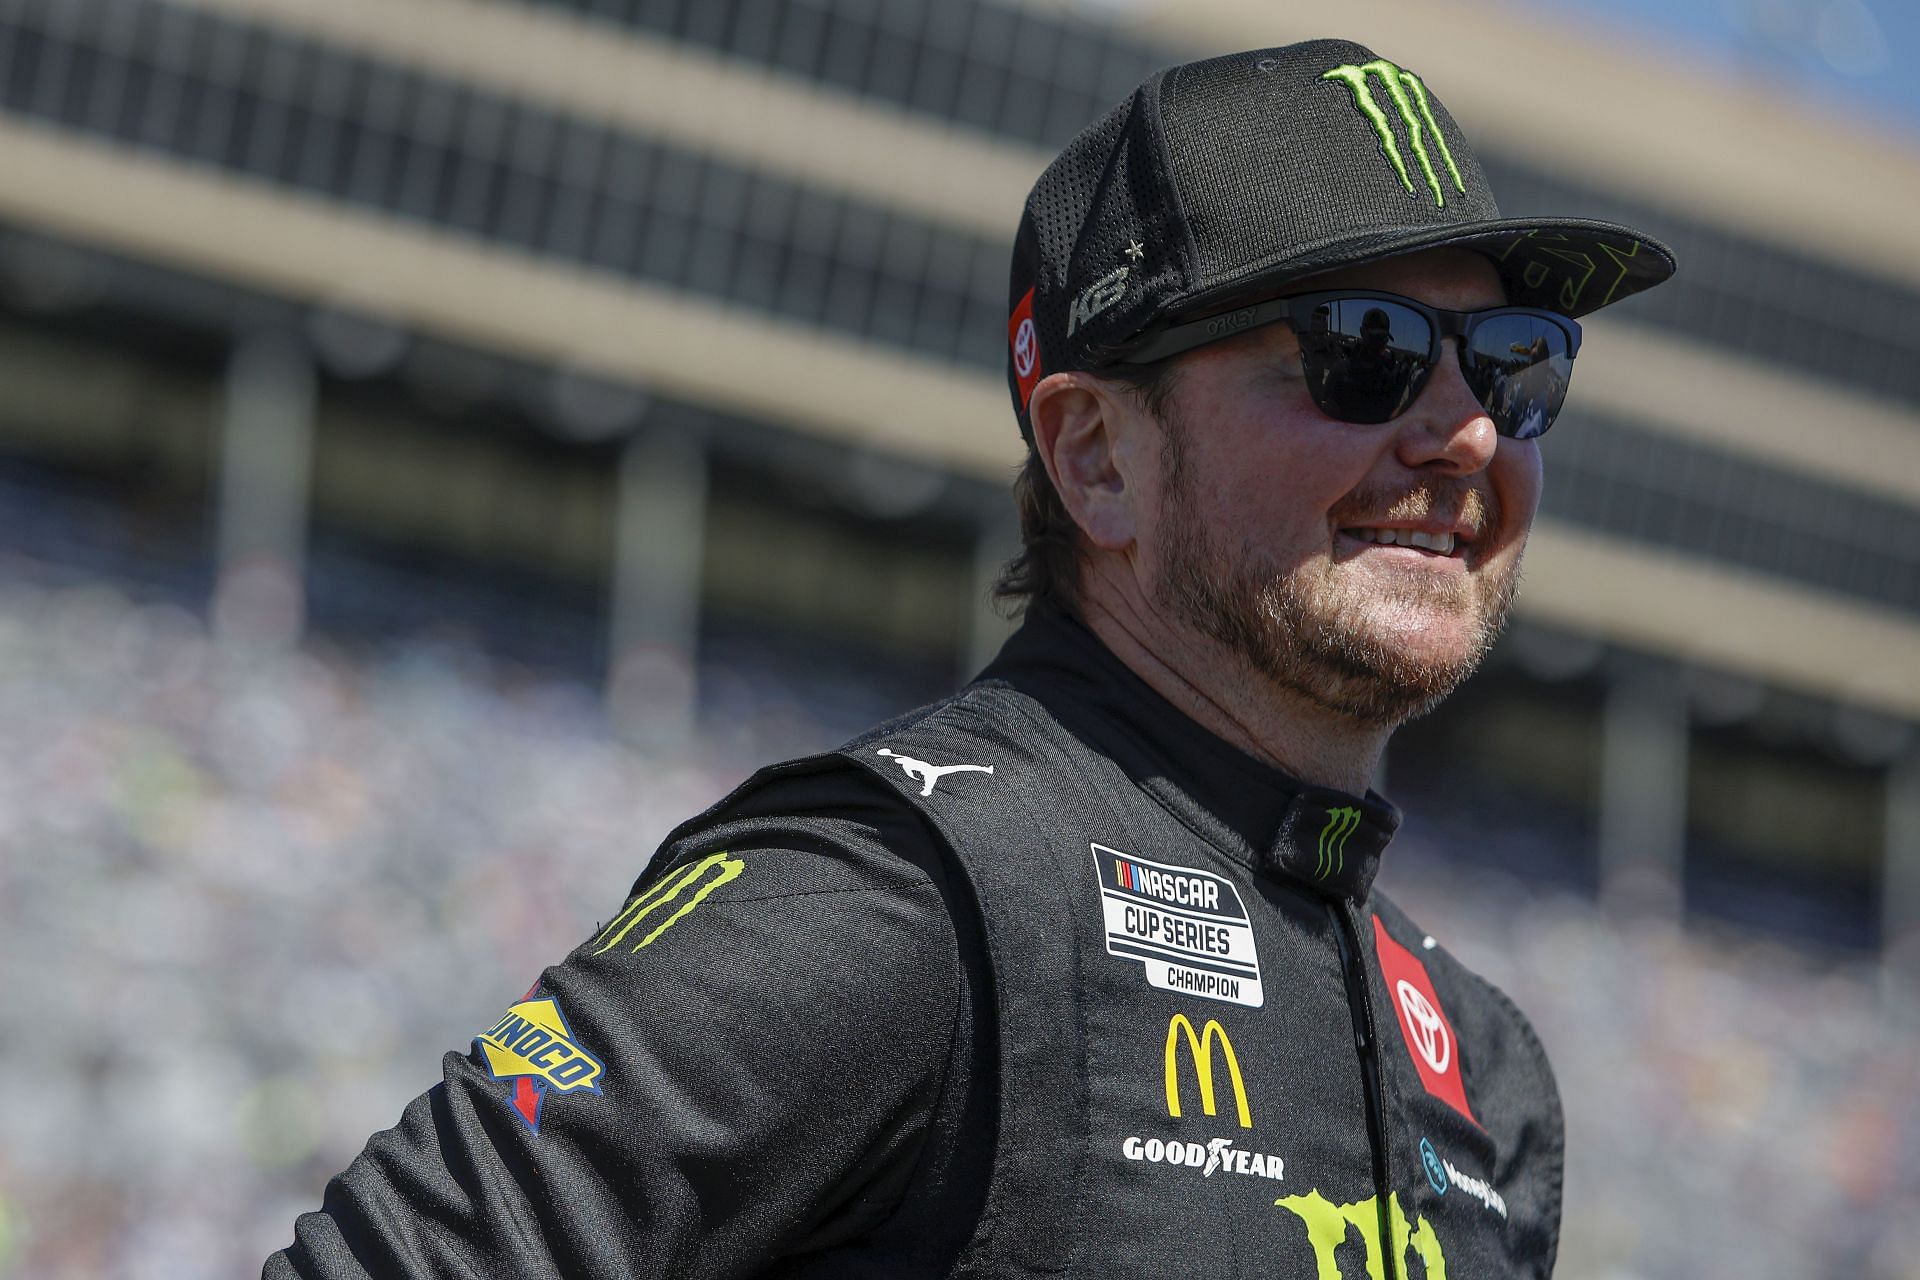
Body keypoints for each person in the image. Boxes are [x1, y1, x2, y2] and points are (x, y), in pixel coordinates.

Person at [265, 38, 1673, 1279]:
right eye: (1364, 352)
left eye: (1512, 360)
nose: (1467, 432)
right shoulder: (896, 894)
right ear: (1095, 455)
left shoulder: (1487, 1070)